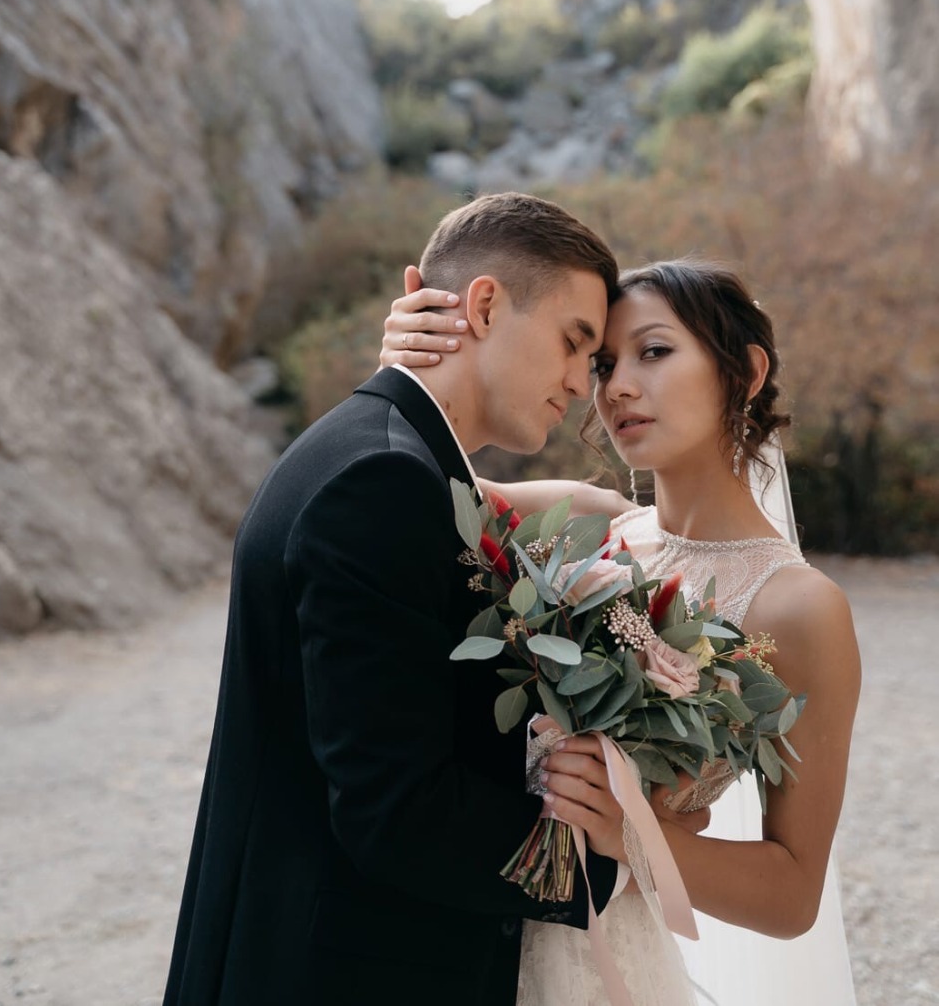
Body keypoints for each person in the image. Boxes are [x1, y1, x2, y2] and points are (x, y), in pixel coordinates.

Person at [164, 192, 658, 1006]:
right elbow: (396, 810)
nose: (581, 383)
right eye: (574, 343)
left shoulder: (384, 458)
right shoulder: (382, 484)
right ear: (486, 306)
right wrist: (604, 860)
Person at [381, 256, 861, 1006]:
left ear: (747, 370)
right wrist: (409, 356)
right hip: (462, 929)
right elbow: (394, 474)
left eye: (655, 352)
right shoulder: (581, 522)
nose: (618, 387)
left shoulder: (799, 610)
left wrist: (630, 836)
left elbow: (793, 893)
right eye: (602, 363)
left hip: (599, 956)